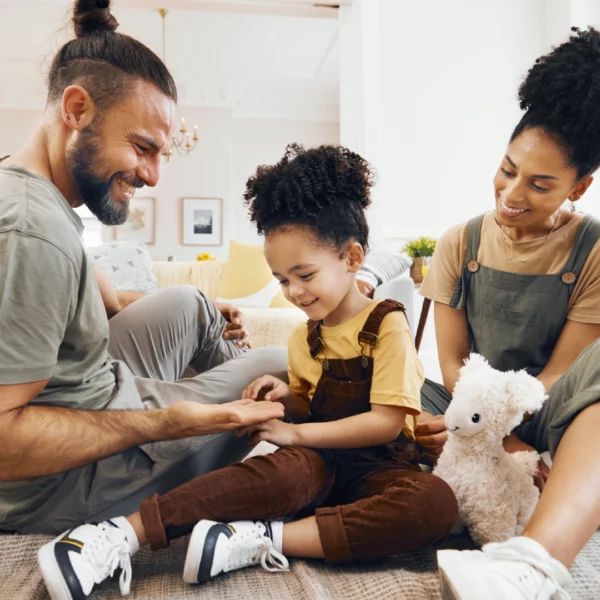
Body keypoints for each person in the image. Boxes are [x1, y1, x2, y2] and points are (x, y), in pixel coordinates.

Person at [37, 143, 458, 599]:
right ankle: (120, 535)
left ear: (352, 258)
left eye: (304, 275)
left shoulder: (387, 323)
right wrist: (286, 398)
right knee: (277, 475)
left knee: (433, 504)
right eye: (281, 280)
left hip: (380, 466)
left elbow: (386, 422)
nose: (293, 292)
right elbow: (310, 404)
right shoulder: (303, 338)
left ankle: (262, 539)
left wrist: (295, 434)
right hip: (319, 465)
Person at [0, 0, 288, 536]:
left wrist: (188, 311)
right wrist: (164, 422)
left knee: (193, 304)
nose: (154, 176)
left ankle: (228, 423)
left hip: (93, 391)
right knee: (285, 364)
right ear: (77, 109)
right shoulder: (30, 231)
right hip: (61, 480)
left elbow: (100, 300)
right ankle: (243, 441)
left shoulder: (36, 193)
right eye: (142, 148)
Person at [416, 28, 600, 600]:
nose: (511, 192)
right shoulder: (459, 242)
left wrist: (512, 432)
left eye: (540, 184)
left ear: (580, 187)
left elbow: (561, 376)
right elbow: (450, 363)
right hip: (464, 398)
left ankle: (529, 567)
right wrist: (494, 439)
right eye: (507, 167)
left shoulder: (592, 250)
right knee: (399, 401)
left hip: (542, 406)